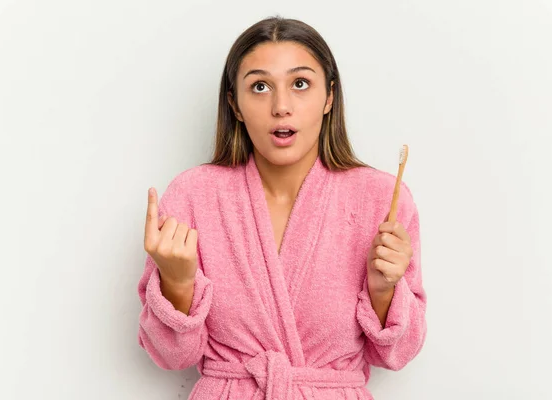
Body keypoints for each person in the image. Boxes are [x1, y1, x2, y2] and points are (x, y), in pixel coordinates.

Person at [138, 16, 427, 399]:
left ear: (329, 97)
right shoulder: (193, 195)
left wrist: (384, 291)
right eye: (259, 87)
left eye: (300, 83)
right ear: (235, 105)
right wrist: (176, 283)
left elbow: (396, 354)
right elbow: (170, 356)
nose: (281, 106)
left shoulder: (381, 199)